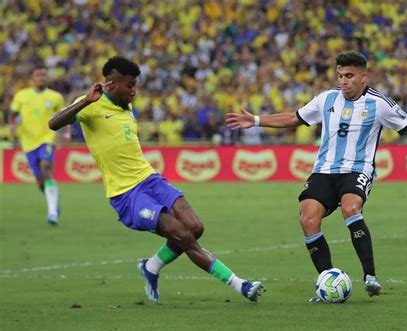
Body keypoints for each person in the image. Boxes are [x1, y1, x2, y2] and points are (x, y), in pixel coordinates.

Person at [226, 51, 407, 301]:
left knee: (351, 208)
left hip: (358, 169)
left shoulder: (380, 104)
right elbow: (294, 118)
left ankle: (370, 276)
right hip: (324, 170)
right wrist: (254, 120)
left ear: (364, 76)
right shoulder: (327, 98)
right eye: (340, 75)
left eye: (349, 76)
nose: (343, 81)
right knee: (308, 219)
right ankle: (327, 279)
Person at [48, 56, 263, 303]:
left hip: (150, 179)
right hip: (127, 193)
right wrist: (86, 100)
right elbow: (53, 123)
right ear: (111, 83)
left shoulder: (126, 108)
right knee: (181, 234)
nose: (134, 91)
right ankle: (240, 285)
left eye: (134, 85)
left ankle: (151, 267)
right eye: (129, 85)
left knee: (195, 228)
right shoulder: (91, 106)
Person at [9, 65, 69, 225]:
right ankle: (53, 199)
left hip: (47, 138)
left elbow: (65, 115)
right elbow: (13, 114)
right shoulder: (22, 95)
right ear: (33, 78)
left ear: (47, 78)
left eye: (44, 75)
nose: (41, 78)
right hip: (28, 141)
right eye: (38, 75)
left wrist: (66, 133)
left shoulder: (55, 97)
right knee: (40, 180)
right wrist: (13, 126)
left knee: (46, 166)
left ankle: (52, 213)